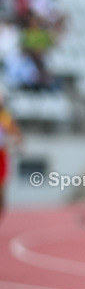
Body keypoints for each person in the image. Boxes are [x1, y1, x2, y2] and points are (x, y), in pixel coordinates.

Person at [0, 89, 23, 220]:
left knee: (2, 188)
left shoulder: (6, 116)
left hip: (1, 155)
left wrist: (18, 144)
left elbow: (16, 133)